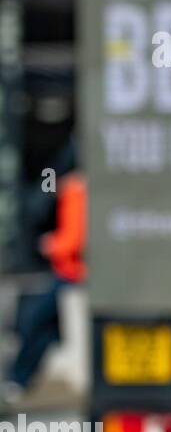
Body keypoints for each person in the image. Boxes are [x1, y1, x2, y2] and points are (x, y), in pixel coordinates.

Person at [3, 166, 86, 408]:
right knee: (45, 329)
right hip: (68, 274)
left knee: (36, 321)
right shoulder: (75, 191)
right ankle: (21, 379)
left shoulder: (75, 192)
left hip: (71, 274)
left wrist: (51, 245)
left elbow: (73, 239)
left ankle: (19, 379)